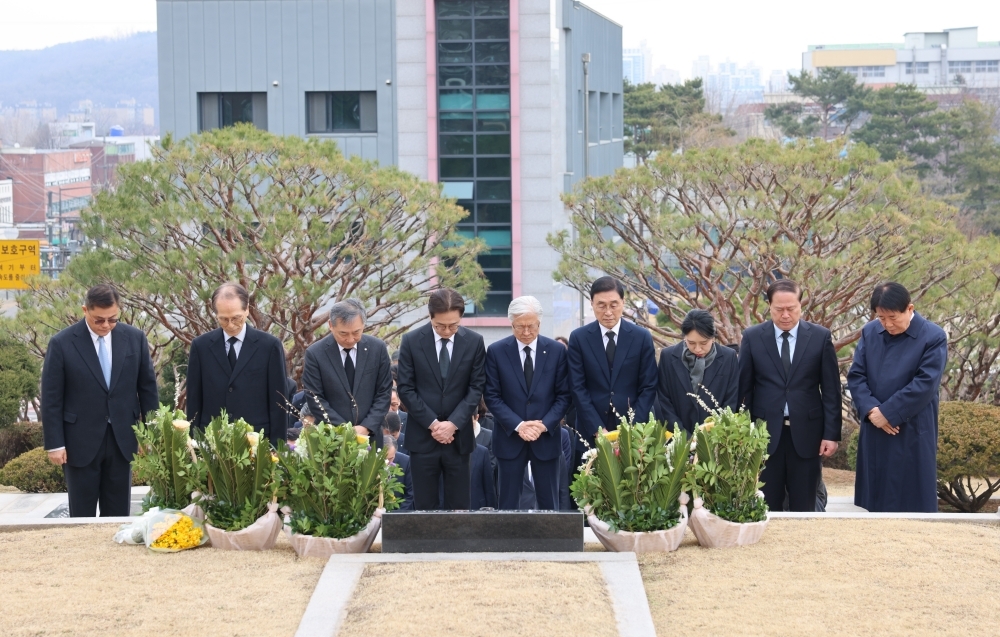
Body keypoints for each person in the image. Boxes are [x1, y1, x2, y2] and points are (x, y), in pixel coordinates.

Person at [41, 284, 159, 517]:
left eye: (112, 319)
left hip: (123, 439)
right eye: (99, 320)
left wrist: (152, 435)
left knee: (118, 513)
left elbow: (147, 389)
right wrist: (55, 444)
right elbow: (51, 397)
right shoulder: (62, 343)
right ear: (85, 310)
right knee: (81, 514)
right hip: (79, 442)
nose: (106, 325)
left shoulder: (134, 338)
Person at [738, 279, 842, 512]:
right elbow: (744, 389)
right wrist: (743, 432)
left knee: (804, 503)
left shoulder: (819, 337)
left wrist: (831, 434)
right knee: (766, 503)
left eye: (791, 309)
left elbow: (831, 390)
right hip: (764, 435)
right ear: (769, 307)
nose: (785, 315)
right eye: (779, 309)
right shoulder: (753, 337)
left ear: (800, 306)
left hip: (808, 435)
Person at [848, 282, 947, 513]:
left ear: (909, 308)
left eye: (892, 317)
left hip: (912, 427)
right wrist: (873, 411)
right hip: (875, 426)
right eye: (881, 318)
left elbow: (925, 383)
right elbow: (856, 376)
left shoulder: (933, 336)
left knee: (912, 500)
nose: (887, 324)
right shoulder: (870, 331)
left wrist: (889, 413)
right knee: (876, 499)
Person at [396, 288, 486, 510]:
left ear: (461, 318)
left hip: (459, 438)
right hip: (423, 437)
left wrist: (453, 424)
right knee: (425, 506)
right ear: (430, 317)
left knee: (459, 505)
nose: (447, 331)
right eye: (441, 326)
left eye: (453, 325)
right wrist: (434, 424)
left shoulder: (474, 342)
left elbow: (476, 388)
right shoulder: (412, 341)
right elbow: (406, 388)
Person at [484, 296, 571, 510]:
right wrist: (519, 425)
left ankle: (549, 543)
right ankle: (507, 543)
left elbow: (564, 395)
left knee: (549, 503)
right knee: (508, 503)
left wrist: (543, 425)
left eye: (530, 326)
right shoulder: (496, 351)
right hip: (510, 437)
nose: (525, 332)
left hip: (546, 437)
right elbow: (492, 396)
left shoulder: (557, 351)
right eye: (519, 327)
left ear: (539, 323)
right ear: (511, 324)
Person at [186, 283, 289, 446]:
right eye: (223, 319)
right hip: (212, 440)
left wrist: (277, 446)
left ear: (247, 309)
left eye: (236, 318)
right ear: (215, 314)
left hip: (257, 439)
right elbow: (194, 399)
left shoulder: (269, 346)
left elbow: (278, 400)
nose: (231, 324)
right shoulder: (201, 346)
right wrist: (194, 442)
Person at [567, 277, 658, 458]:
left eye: (614, 304)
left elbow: (649, 385)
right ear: (592, 304)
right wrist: (597, 429)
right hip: (590, 428)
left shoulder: (641, 337)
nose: (608, 312)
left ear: (623, 303)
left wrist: (633, 428)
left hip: (634, 429)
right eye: (601, 305)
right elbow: (577, 387)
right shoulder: (579, 338)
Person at [302, 299, 393, 449]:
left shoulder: (377, 349)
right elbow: (315, 397)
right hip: (331, 439)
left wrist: (366, 427)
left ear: (363, 325)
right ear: (331, 326)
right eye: (343, 333)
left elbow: (384, 392)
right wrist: (345, 430)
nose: (350, 339)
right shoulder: (315, 354)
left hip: (370, 436)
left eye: (356, 332)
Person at [655, 309, 739, 434]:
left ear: (713, 338)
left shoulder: (729, 357)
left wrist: (714, 433)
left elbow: (731, 400)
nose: (698, 349)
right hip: (678, 438)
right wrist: (685, 437)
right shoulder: (668, 357)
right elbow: (663, 400)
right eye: (691, 343)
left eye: (704, 343)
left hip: (716, 437)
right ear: (684, 338)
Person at [384, 436, 414, 511]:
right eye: (383, 458)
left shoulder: (406, 462)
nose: (387, 462)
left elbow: (411, 494)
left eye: (390, 458)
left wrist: (397, 515)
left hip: (399, 510)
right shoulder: (368, 462)